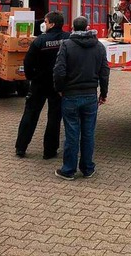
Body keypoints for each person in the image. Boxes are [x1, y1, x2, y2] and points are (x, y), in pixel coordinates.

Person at [53, 16, 110, 180]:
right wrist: (103, 93)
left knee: (72, 133)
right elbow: (104, 72)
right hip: (91, 96)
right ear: (87, 28)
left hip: (70, 95)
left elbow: (59, 71)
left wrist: (60, 89)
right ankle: (87, 168)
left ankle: (68, 170)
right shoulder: (99, 46)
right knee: (88, 133)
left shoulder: (66, 45)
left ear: (72, 28)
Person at [15, 11, 70, 159]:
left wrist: (31, 77)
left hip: (39, 84)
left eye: (45, 21)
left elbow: (28, 62)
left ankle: (21, 147)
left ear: (52, 24)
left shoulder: (40, 41)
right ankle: (49, 151)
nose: (43, 24)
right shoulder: (68, 39)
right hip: (58, 85)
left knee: (30, 114)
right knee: (54, 117)